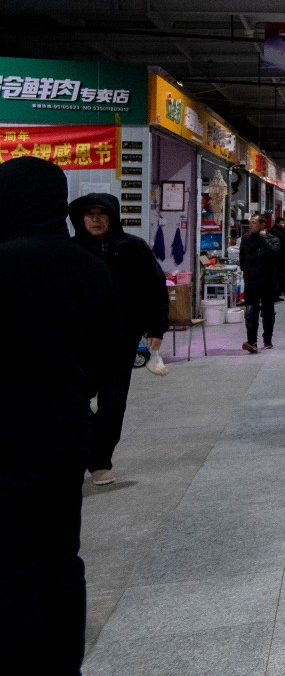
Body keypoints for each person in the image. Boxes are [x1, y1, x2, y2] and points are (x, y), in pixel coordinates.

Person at [1, 158, 121, 676]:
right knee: (61, 555)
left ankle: (23, 668)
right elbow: (108, 354)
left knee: (12, 559)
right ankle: (64, 669)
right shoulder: (91, 268)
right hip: (67, 427)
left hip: (6, 434)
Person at [67, 193, 169, 486]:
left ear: (112, 216)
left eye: (102, 214)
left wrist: (156, 328)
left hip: (119, 343)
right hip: (78, 344)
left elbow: (155, 287)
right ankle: (83, 449)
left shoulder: (132, 247)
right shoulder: (71, 251)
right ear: (80, 218)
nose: (96, 219)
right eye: (90, 214)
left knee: (113, 405)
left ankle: (100, 461)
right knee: (74, 402)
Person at [239, 214, 281, 352]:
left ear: (263, 225)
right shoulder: (246, 239)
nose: (251, 225)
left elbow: (274, 254)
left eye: (254, 223)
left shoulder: (273, 239)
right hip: (251, 282)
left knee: (268, 311)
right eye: (250, 223)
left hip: (268, 282)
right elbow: (242, 260)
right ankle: (252, 341)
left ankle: (267, 339)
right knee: (251, 311)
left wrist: (262, 239)